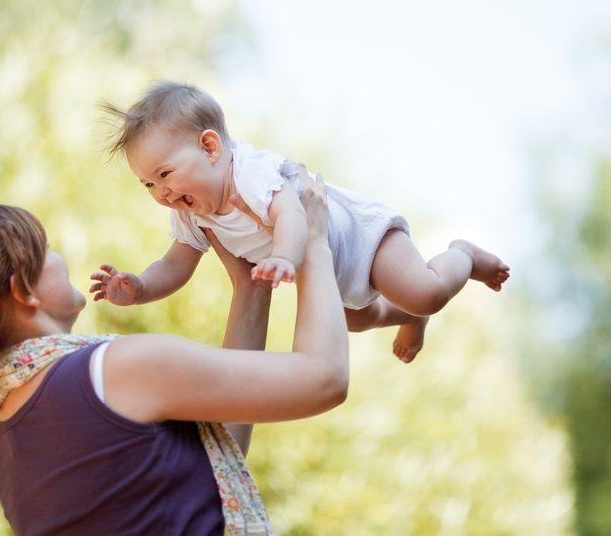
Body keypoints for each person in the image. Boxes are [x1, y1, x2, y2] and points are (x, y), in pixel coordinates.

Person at [0, 170, 348, 536]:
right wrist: (315, 242)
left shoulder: (1, 437)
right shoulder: (115, 371)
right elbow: (324, 379)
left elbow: (210, 461)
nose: (60, 257)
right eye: (46, 250)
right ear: (23, 291)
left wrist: (249, 288)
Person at [95, 80, 511, 363]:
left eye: (165, 174)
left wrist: (284, 256)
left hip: (363, 240)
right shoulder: (191, 213)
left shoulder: (248, 174)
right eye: (148, 184)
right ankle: (408, 317)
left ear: (210, 147)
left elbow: (291, 214)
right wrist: (141, 288)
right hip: (327, 271)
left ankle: (462, 255)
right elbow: (174, 266)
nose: (161, 193)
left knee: (425, 293)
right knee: (356, 319)